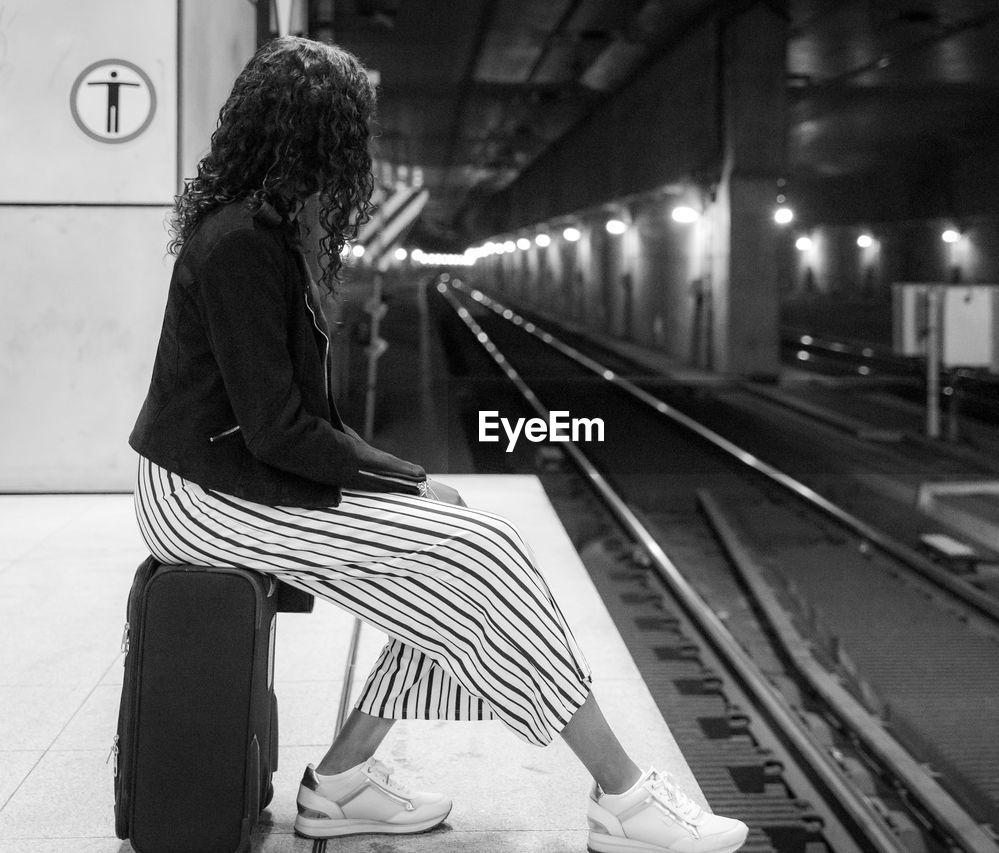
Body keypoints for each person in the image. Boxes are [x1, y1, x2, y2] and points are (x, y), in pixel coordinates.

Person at [128, 35, 748, 853]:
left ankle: (344, 781)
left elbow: (290, 422)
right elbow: (278, 428)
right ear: (323, 135)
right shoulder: (242, 243)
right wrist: (405, 482)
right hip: (202, 497)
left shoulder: (267, 232)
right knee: (478, 552)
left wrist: (408, 483)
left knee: (453, 566)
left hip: (231, 475)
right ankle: (625, 796)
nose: (366, 152)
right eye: (357, 132)